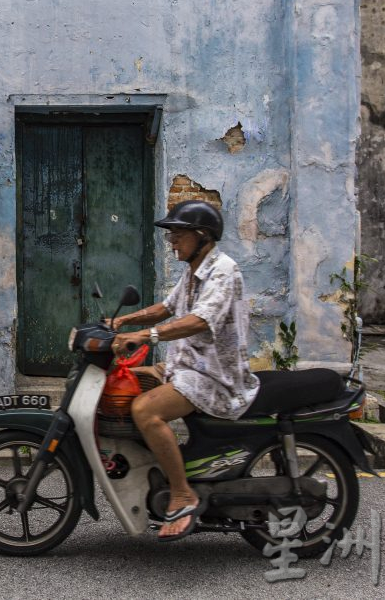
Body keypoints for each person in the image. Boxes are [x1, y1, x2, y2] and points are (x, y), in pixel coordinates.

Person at [110, 200, 259, 542]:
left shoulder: (223, 270)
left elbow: (198, 321)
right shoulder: (194, 269)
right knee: (129, 383)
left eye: (178, 233)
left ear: (202, 236)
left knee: (144, 410)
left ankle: (181, 493)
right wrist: (121, 321)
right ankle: (157, 467)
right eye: (171, 234)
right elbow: (166, 308)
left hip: (215, 377)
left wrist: (142, 336)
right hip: (188, 366)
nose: (173, 240)